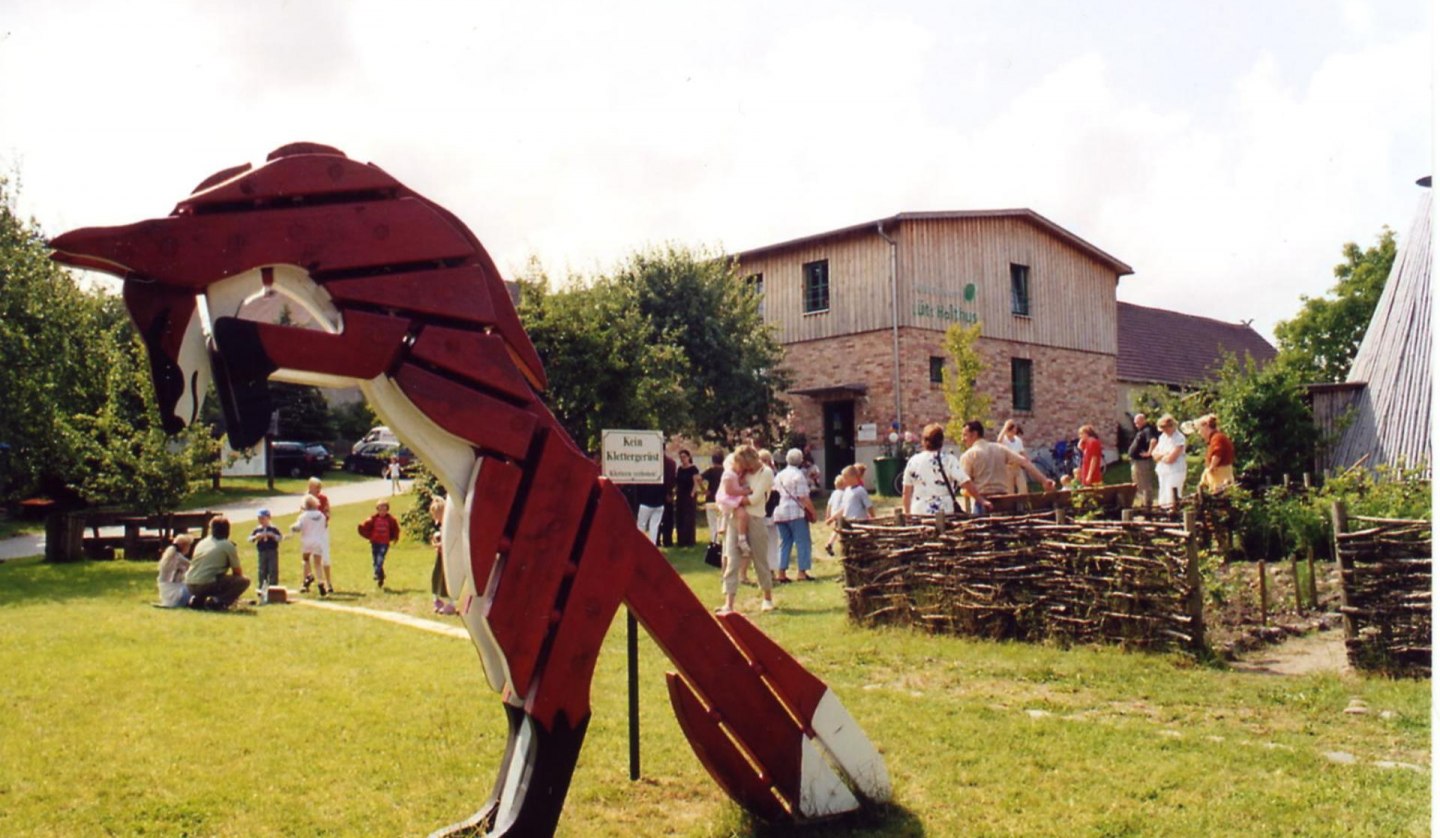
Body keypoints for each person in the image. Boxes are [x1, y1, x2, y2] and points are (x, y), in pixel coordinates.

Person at [716, 445, 775, 616]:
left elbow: (755, 499)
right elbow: (729, 479)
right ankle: (729, 603)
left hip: (755, 519)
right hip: (736, 519)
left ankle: (767, 597)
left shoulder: (766, 473)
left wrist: (730, 499)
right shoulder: (740, 470)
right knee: (732, 560)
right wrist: (731, 499)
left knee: (760, 560)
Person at [902, 423, 991, 516]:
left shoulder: (913, 461)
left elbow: (906, 492)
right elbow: (965, 482)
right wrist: (981, 500)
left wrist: (907, 513)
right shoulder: (948, 460)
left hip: (919, 511)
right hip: (944, 511)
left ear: (923, 441)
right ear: (941, 441)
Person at [958, 421, 1056, 499]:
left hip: (983, 499)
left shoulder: (969, 455)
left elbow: (965, 483)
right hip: (1003, 499)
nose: (963, 439)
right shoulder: (1000, 449)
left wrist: (965, 491)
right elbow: (1025, 462)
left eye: (965, 435)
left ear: (974, 434)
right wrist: (1044, 480)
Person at [184, 516, 250, 610]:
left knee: (213, 578)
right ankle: (218, 602)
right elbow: (237, 572)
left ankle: (199, 600)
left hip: (190, 583)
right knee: (243, 581)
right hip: (206, 584)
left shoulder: (202, 542)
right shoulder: (227, 545)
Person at [773, 448, 817, 583]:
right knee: (802, 542)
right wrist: (813, 513)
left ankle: (781, 572)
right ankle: (802, 572)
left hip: (779, 512)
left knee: (785, 542)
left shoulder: (779, 475)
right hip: (796, 513)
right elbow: (803, 497)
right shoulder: (799, 475)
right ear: (801, 460)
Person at [715, 449, 757, 557]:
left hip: (733, 497)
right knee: (742, 513)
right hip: (729, 498)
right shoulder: (728, 474)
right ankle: (741, 538)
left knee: (743, 515)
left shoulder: (736, 474)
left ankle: (741, 537)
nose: (741, 470)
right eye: (741, 467)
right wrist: (745, 492)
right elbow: (729, 491)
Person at [292, 494, 332, 595]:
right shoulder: (321, 516)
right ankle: (321, 582)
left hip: (307, 540)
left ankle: (309, 575)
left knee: (306, 559)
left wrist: (293, 528)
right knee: (318, 563)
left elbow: (298, 527)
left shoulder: (303, 516)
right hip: (318, 541)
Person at [358, 500, 402, 588]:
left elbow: (396, 529)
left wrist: (395, 537)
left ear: (387, 510)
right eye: (380, 509)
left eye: (384, 509)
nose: (382, 512)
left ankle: (376, 573)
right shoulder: (373, 519)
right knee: (375, 560)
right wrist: (362, 529)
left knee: (380, 558)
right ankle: (380, 576)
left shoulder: (391, 520)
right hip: (375, 542)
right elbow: (365, 525)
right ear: (377, 510)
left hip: (384, 543)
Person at [1150, 414, 1188, 508]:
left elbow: (1171, 458)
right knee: (1163, 494)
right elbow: (1154, 454)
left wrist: (1161, 456)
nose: (1164, 430)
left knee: (1172, 494)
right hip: (1163, 471)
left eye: (1166, 427)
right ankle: (1163, 511)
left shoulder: (1179, 438)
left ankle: (1173, 512)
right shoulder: (1162, 437)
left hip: (1175, 471)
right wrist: (1164, 454)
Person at [429, 495, 456, 615]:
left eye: (437, 515)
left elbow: (451, 539)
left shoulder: (450, 524)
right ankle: (437, 599)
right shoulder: (441, 525)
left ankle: (452, 602)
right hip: (442, 556)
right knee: (437, 575)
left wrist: (441, 544)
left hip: (449, 556)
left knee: (449, 577)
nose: (436, 519)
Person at [757, 449, 781, 577]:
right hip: (767, 511)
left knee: (767, 543)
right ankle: (768, 570)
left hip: (766, 511)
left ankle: (769, 570)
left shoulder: (758, 474)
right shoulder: (770, 473)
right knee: (770, 543)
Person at [1127, 413, 1160, 506]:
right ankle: (1142, 501)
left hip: (1142, 462)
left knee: (1144, 483)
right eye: (1135, 423)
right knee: (1138, 482)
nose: (1136, 425)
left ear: (1143, 420)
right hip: (1136, 461)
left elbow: (1153, 441)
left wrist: (1149, 453)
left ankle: (1147, 502)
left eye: (1138, 422)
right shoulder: (1141, 430)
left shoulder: (1147, 430)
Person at [1198, 414, 1236, 492]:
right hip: (1222, 475)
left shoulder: (1217, 438)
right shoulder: (1216, 438)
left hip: (1221, 476)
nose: (1199, 432)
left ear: (1205, 427)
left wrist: (1211, 467)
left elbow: (1217, 453)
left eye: (1200, 429)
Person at [248, 508, 282, 593]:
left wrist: (273, 536)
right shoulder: (257, 529)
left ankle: (273, 588)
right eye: (259, 518)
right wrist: (256, 537)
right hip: (262, 552)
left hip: (272, 551)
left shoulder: (273, 528)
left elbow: (280, 538)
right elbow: (249, 539)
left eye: (263, 518)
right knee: (262, 570)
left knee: (272, 569)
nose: (261, 521)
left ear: (268, 518)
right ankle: (262, 588)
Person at [156, 533, 194, 608]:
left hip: (165, 592)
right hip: (175, 592)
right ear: (184, 546)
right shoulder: (179, 558)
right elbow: (192, 566)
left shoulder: (168, 555)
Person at [673, 450, 701, 547]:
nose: (682, 459)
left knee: (688, 518)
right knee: (680, 517)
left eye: (684, 456)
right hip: (680, 495)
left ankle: (689, 540)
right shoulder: (680, 469)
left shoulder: (693, 469)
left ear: (688, 457)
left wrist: (693, 493)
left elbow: (696, 482)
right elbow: (677, 483)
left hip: (689, 496)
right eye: (681, 457)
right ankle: (681, 540)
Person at [998, 420, 1030, 493]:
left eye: (1015, 429)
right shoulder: (1004, 439)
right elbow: (998, 440)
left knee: (1023, 487)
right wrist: (1005, 427)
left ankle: (1022, 502)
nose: (1014, 431)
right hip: (1008, 467)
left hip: (1017, 466)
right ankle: (1010, 503)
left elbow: (1022, 452)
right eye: (1012, 429)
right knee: (1009, 489)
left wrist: (1027, 462)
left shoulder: (1018, 440)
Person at [700, 452, 725, 544]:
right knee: (721, 521)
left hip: (711, 499)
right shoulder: (725, 470)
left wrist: (703, 490)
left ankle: (714, 541)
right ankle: (722, 540)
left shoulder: (710, 470)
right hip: (723, 499)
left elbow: (698, 478)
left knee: (712, 522)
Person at [822, 474, 846, 556]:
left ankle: (830, 544)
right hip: (840, 514)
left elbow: (829, 505)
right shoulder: (844, 494)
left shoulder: (834, 493)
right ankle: (842, 546)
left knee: (837, 529)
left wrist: (827, 516)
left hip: (833, 513)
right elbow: (845, 506)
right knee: (842, 530)